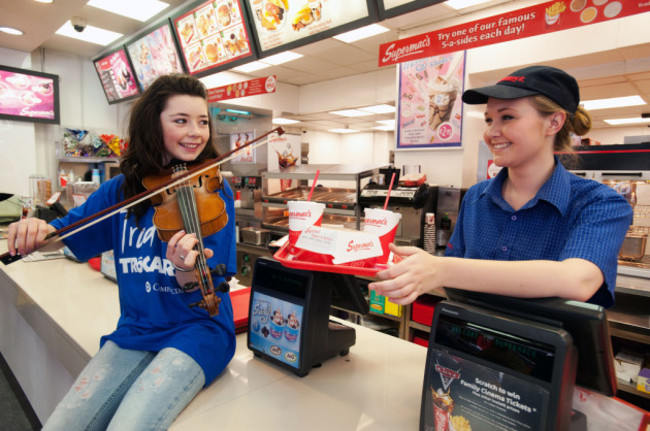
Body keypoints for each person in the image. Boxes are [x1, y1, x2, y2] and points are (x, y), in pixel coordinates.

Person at [7, 74, 237, 430]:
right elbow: (66, 233)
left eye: (203, 121)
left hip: (198, 331)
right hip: (136, 327)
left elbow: (203, 286)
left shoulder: (212, 189)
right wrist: (37, 229)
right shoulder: (121, 190)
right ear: (152, 123)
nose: (196, 131)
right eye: (181, 120)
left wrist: (184, 269)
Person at [370, 65, 633, 309]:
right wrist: (409, 271)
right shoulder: (476, 197)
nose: (491, 132)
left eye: (507, 117)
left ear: (554, 123)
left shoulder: (599, 203)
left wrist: (440, 269)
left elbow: (578, 280)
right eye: (488, 120)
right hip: (468, 348)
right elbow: (458, 278)